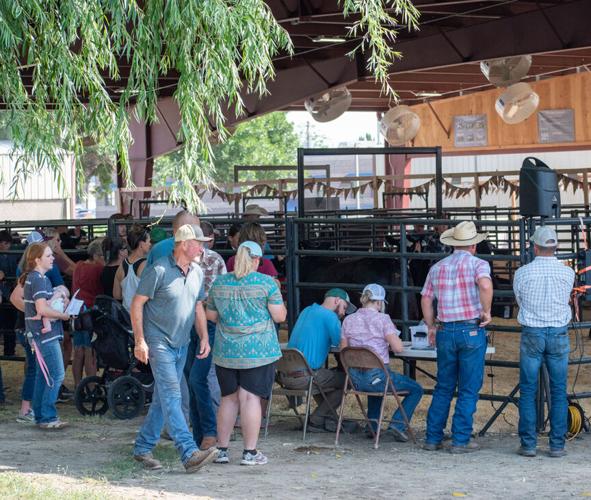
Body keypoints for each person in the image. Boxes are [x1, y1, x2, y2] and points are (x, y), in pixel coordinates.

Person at [131, 224, 218, 473]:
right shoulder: (158, 270)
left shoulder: (197, 272)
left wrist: (203, 336)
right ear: (183, 244)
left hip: (181, 342)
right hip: (159, 342)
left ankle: (142, 447)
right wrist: (140, 340)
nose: (203, 247)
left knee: (162, 399)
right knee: (172, 394)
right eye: (198, 242)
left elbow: (198, 306)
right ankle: (188, 451)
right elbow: (137, 305)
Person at [207, 241, 286, 465]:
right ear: (256, 260)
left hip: (226, 350)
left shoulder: (220, 283)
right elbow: (280, 317)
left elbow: (211, 316)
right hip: (258, 350)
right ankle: (249, 453)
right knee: (250, 398)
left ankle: (221, 450)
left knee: (228, 399)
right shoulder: (266, 284)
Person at [421, 221, 493, 454]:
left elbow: (425, 298)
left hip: (445, 330)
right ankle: (460, 439)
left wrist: (431, 326)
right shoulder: (478, 264)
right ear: (473, 245)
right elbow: (484, 284)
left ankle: (433, 437)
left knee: (444, 385)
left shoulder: (438, 267)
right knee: (469, 388)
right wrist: (487, 311)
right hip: (470, 329)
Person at [513, 226, 575, 458]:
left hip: (532, 332)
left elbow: (519, 299)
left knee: (528, 389)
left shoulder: (522, 273)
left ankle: (528, 444)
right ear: (555, 247)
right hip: (558, 332)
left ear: (535, 247)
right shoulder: (567, 273)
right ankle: (557, 444)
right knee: (558, 390)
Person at [341, 284, 424, 441]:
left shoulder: (348, 320)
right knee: (416, 389)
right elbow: (398, 348)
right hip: (377, 377)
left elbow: (344, 350)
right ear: (379, 303)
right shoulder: (383, 320)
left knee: (376, 384)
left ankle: (372, 426)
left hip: (355, 379)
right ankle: (397, 425)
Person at [284, 288, 355, 431]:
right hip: (306, 377)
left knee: (325, 377)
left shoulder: (306, 311)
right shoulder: (330, 317)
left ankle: (328, 418)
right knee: (351, 379)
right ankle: (317, 418)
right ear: (337, 300)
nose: (343, 312)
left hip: (285, 375)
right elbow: (341, 344)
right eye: (344, 307)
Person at [20, 243, 72, 428]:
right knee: (57, 374)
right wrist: (63, 315)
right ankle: (48, 416)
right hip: (45, 336)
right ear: (37, 259)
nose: (52, 258)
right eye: (49, 256)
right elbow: (42, 309)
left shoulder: (34, 278)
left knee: (45, 375)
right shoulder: (39, 280)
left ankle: (41, 416)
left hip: (38, 334)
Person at [187, 222, 226, 451]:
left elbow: (205, 299)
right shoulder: (179, 263)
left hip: (206, 324)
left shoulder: (212, 261)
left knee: (196, 378)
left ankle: (210, 431)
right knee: (192, 379)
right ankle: (200, 435)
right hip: (187, 325)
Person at [71, 238, 105, 388]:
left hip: (76, 311)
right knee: (90, 352)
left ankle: (79, 385)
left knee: (78, 350)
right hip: (90, 312)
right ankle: (91, 387)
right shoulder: (98, 269)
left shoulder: (78, 266)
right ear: (97, 255)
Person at [113, 225, 151, 310]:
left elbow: (117, 295)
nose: (150, 244)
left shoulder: (121, 266)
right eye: (148, 241)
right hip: (142, 318)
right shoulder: (146, 265)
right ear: (141, 244)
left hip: (126, 317)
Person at [0, 230, 19, 356]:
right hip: (5, 292)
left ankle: (9, 351)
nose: (3, 245)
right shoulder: (14, 254)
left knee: (10, 323)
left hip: (11, 292)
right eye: (1, 243)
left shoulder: (15, 254)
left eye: (6, 243)